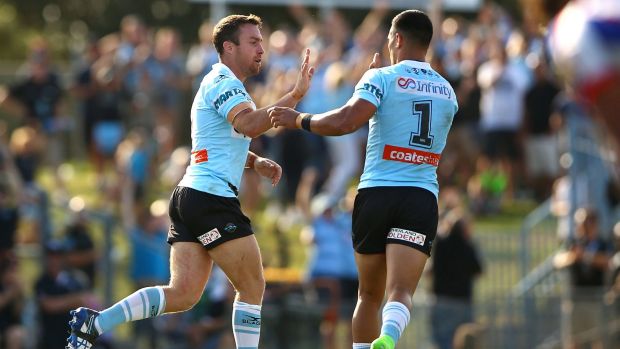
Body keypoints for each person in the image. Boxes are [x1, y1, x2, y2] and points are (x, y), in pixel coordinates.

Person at [67, 14, 315, 349]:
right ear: (229, 47)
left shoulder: (224, 84)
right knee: (253, 285)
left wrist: (254, 161)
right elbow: (250, 125)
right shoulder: (224, 82)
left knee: (183, 294)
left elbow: (217, 146)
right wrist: (295, 95)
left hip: (191, 195)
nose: (261, 48)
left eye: (261, 41)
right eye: (253, 41)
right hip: (210, 198)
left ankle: (96, 322)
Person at [269, 9, 458, 349]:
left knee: (368, 294)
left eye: (388, 40)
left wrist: (300, 120)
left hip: (377, 193)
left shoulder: (381, 78)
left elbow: (345, 121)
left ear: (397, 39)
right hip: (419, 196)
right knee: (400, 291)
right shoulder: (447, 91)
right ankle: (388, 336)